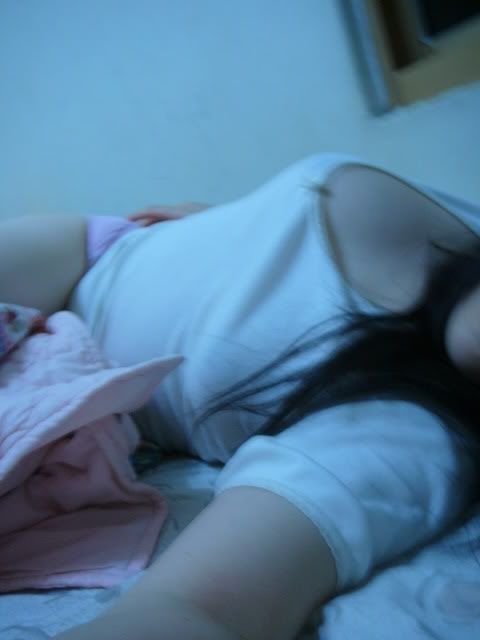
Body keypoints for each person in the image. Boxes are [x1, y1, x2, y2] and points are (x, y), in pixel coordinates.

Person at [1, 152, 480, 640]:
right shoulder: (464, 228)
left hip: (69, 356)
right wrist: (217, 223)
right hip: (88, 251)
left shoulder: (412, 438)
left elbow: (192, 608)